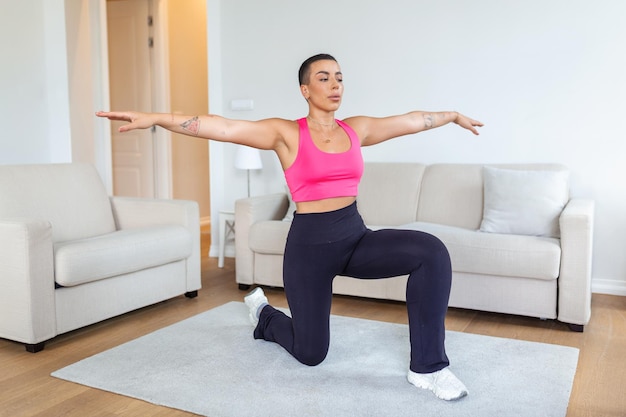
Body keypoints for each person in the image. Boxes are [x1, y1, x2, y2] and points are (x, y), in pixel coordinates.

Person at [97, 53, 483, 401]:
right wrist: (156, 120)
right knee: (311, 353)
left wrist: (450, 115)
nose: (335, 85)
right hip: (309, 249)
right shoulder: (286, 133)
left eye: (339, 78)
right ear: (305, 89)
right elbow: (223, 127)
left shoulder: (356, 129)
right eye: (324, 78)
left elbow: (411, 121)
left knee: (431, 251)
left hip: (354, 236)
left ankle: (428, 368)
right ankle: (266, 317)